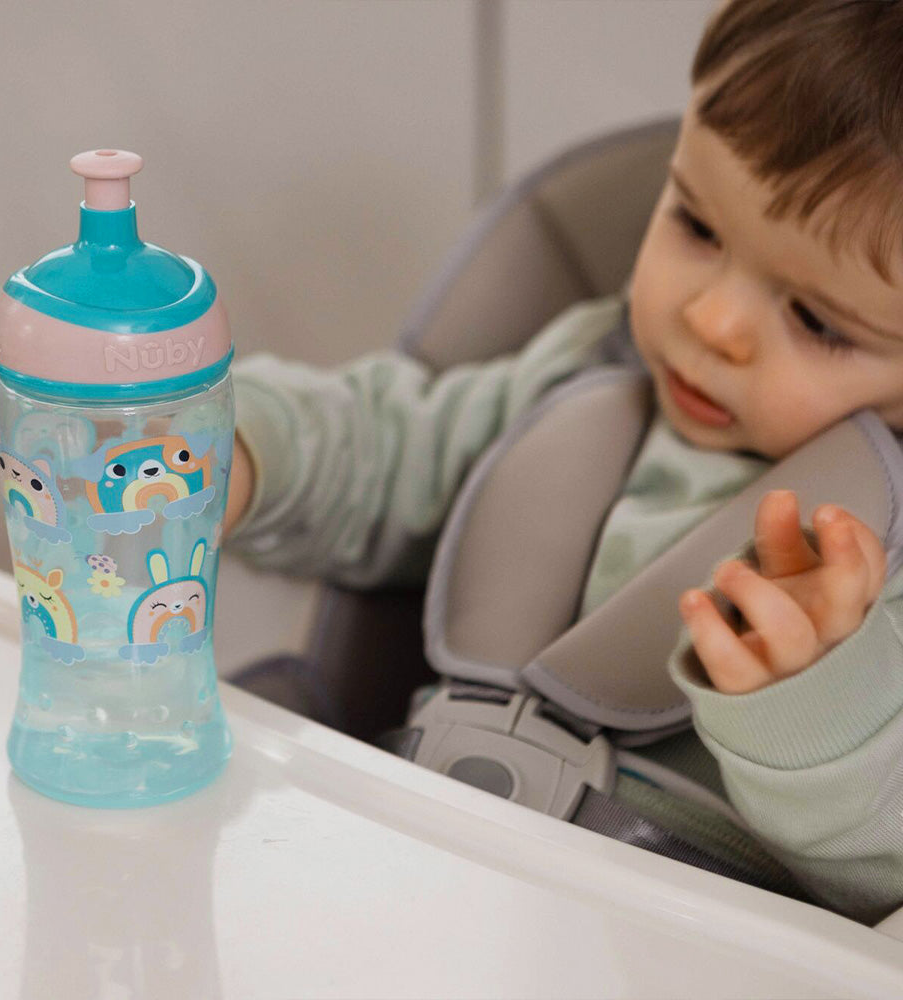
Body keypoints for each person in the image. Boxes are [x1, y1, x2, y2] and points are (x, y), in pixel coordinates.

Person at [221, 0, 903, 925]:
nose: (712, 323)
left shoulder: (876, 561)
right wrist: (242, 452)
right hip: (412, 849)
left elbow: (883, 859)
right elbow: (394, 447)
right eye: (698, 226)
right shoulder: (592, 365)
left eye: (818, 322)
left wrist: (815, 699)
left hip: (666, 938)